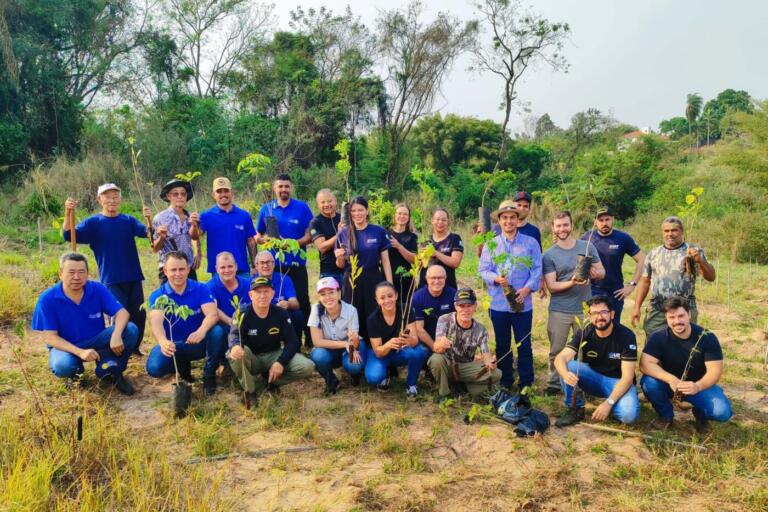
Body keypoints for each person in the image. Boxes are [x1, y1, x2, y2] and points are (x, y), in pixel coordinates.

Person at [31, 252, 138, 395]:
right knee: (62, 365)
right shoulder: (47, 299)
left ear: (87, 274)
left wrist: (116, 334)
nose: (76, 277)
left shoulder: (97, 289)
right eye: (71, 272)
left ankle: (113, 371)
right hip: (66, 346)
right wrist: (80, 352)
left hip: (97, 339)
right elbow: (50, 337)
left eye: (81, 272)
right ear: (61, 273)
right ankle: (75, 375)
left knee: (130, 330)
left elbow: (122, 313)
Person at [63, 183, 150, 356]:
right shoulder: (93, 223)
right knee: (119, 315)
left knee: (139, 315)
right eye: (107, 196)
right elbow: (68, 234)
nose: (112, 200)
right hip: (111, 278)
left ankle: (134, 348)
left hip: (134, 276)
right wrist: (68, 213)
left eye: (115, 196)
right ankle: (117, 347)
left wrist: (150, 221)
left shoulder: (128, 220)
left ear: (120, 199)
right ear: (99, 199)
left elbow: (147, 233)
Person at [640, 296, 732, 433]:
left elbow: (715, 371)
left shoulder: (706, 337)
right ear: (666, 318)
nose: (677, 321)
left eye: (681, 316)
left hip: (698, 385)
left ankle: (700, 416)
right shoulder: (659, 337)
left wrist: (698, 386)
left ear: (689, 314)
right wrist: (671, 379)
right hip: (669, 384)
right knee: (649, 383)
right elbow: (645, 364)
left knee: (722, 412)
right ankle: (666, 416)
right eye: (672, 317)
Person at [479, 201, 542, 392]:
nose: (508, 221)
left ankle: (526, 382)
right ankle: (506, 380)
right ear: (499, 220)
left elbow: (537, 269)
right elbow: (483, 269)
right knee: (502, 344)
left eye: (512, 217)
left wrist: (527, 289)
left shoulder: (530, 243)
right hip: (499, 304)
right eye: (504, 218)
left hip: (523, 304)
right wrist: (496, 279)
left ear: (518, 219)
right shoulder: (491, 244)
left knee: (524, 344)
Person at [146, 251, 226, 396]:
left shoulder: (201, 288)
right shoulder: (158, 296)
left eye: (182, 269)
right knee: (154, 368)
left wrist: (201, 331)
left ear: (188, 269)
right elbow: (156, 323)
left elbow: (212, 315)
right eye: (173, 270)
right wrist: (163, 341)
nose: (178, 274)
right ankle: (183, 368)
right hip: (173, 346)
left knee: (218, 331)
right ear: (165, 270)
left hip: (197, 342)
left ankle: (209, 374)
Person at [542, 211, 605, 395]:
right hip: (559, 309)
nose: (562, 229)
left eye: (565, 225)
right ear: (553, 228)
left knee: (584, 350)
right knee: (557, 349)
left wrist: (593, 273)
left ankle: (582, 382)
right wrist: (573, 281)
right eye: (558, 225)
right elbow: (552, 286)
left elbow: (602, 272)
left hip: (585, 309)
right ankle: (554, 383)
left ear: (571, 225)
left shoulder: (587, 247)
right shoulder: (549, 255)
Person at [554, 296, 640, 427]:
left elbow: (627, 378)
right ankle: (575, 409)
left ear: (612, 314)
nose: (599, 317)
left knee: (628, 416)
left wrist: (608, 403)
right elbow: (560, 358)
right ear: (589, 315)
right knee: (568, 366)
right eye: (594, 313)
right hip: (593, 378)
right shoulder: (584, 332)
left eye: (603, 312)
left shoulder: (626, 336)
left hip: (618, 382)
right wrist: (565, 375)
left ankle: (613, 405)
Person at [227, 276, 315, 404]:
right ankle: (250, 391)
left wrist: (280, 362)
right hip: (252, 357)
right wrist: (234, 346)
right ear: (251, 295)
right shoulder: (242, 312)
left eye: (266, 291)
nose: (262, 296)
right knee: (233, 353)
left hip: (273, 354)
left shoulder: (280, 313)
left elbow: (292, 341)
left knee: (308, 366)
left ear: (272, 293)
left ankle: (270, 381)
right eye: (258, 292)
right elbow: (234, 334)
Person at [631, 216, 716, 338]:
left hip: (684, 309)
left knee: (684, 344)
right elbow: (645, 282)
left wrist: (701, 261)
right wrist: (636, 307)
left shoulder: (692, 251)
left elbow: (711, 277)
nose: (670, 234)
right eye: (666, 231)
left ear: (682, 231)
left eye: (674, 230)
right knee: (654, 344)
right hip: (658, 308)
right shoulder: (654, 253)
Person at [256, 174, 314, 344]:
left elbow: (310, 234)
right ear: (274, 189)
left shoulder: (302, 208)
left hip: (296, 263)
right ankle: (278, 337)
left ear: (291, 188)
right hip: (273, 265)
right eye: (280, 186)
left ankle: (309, 337)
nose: (283, 190)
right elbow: (258, 235)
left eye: (287, 186)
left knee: (302, 300)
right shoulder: (267, 209)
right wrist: (265, 240)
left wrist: (294, 244)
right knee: (274, 301)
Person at [428, 287, 501, 402]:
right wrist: (441, 345)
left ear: (475, 306)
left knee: (496, 373)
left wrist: (490, 362)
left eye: (469, 305)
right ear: (456, 306)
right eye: (462, 306)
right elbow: (436, 348)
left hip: (465, 368)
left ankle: (465, 388)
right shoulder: (444, 320)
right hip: (448, 365)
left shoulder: (481, 329)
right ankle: (444, 394)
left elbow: (486, 354)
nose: (466, 310)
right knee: (436, 359)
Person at [335, 196, 393, 339]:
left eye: (360, 210)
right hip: (351, 278)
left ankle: (374, 345)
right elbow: (340, 265)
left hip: (373, 277)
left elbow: (385, 260)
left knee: (373, 312)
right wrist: (339, 257)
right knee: (353, 312)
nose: (357, 214)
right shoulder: (344, 233)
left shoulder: (378, 231)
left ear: (367, 211)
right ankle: (355, 345)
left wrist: (389, 284)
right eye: (353, 211)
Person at [580, 207, 644, 323]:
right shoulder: (587, 238)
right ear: (595, 222)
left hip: (615, 292)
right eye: (601, 220)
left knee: (614, 328)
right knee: (592, 327)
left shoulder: (623, 238)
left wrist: (632, 284)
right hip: (593, 290)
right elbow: (578, 261)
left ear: (613, 219)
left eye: (607, 219)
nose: (604, 223)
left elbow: (641, 259)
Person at [366, 282, 429, 398]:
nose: (387, 300)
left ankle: (411, 384)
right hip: (381, 354)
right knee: (373, 377)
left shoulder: (406, 309)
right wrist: (388, 345)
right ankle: (385, 374)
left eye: (390, 296)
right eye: (382, 298)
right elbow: (378, 352)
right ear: (377, 300)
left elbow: (415, 342)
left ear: (396, 295)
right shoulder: (373, 319)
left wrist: (407, 339)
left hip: (400, 352)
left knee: (419, 352)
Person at [190, 177, 257, 278]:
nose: (223, 194)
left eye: (226, 191)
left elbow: (251, 241)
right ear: (214, 195)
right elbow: (196, 236)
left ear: (232, 193)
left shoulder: (244, 215)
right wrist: (194, 226)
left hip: (241, 270)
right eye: (219, 192)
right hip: (218, 271)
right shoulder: (206, 215)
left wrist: (255, 265)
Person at [308, 277, 366, 394]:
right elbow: (317, 342)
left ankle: (354, 374)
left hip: (350, 347)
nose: (328, 297)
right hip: (331, 349)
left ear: (339, 293)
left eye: (331, 292)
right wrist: (344, 344)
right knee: (318, 355)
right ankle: (331, 379)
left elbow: (354, 343)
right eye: (323, 294)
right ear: (319, 297)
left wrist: (353, 341)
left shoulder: (351, 310)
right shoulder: (316, 309)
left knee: (353, 365)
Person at [152, 178, 202, 284]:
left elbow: (194, 237)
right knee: (169, 300)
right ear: (168, 196)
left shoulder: (190, 216)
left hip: (188, 267)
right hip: (169, 270)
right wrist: (161, 237)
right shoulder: (160, 218)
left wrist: (194, 225)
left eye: (183, 194)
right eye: (175, 194)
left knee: (192, 299)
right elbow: (155, 248)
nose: (180, 197)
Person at [252, 250, 303, 341]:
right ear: (256, 265)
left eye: (268, 262)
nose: (265, 265)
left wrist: (287, 304)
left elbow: (295, 303)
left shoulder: (284, 278)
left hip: (280, 315)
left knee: (297, 314)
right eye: (262, 263)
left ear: (274, 264)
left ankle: (296, 346)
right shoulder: (252, 282)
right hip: (260, 317)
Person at [412, 265, 456, 352]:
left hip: (447, 338)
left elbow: (457, 322)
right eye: (433, 278)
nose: (436, 281)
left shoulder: (453, 294)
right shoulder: (418, 297)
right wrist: (434, 347)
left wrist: (445, 343)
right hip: (426, 340)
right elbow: (419, 329)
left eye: (440, 278)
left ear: (445, 278)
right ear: (427, 279)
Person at [419, 209, 464, 290]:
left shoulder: (454, 239)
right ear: (432, 221)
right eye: (437, 219)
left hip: (447, 287)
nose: (440, 222)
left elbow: (455, 263)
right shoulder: (425, 241)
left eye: (444, 220)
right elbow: (419, 266)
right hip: (426, 288)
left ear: (448, 222)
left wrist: (435, 253)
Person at [206, 251, 251, 327]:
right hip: (222, 326)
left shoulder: (248, 284)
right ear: (216, 269)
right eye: (222, 267)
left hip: (246, 325)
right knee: (216, 332)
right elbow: (212, 308)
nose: (227, 270)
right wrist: (231, 322)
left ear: (236, 266)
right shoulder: (210, 286)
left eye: (230, 266)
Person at [310, 189, 343, 285]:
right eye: (323, 202)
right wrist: (340, 233)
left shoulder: (343, 218)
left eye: (329, 201)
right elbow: (322, 247)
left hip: (348, 269)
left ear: (336, 201)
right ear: (318, 204)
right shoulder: (315, 222)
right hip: (329, 272)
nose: (327, 204)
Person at [388, 203, 419, 301]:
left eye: (405, 214)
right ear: (394, 215)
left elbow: (414, 259)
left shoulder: (412, 237)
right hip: (387, 278)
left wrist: (399, 246)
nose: (402, 216)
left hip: (406, 280)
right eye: (399, 213)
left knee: (404, 309)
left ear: (409, 217)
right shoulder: (385, 233)